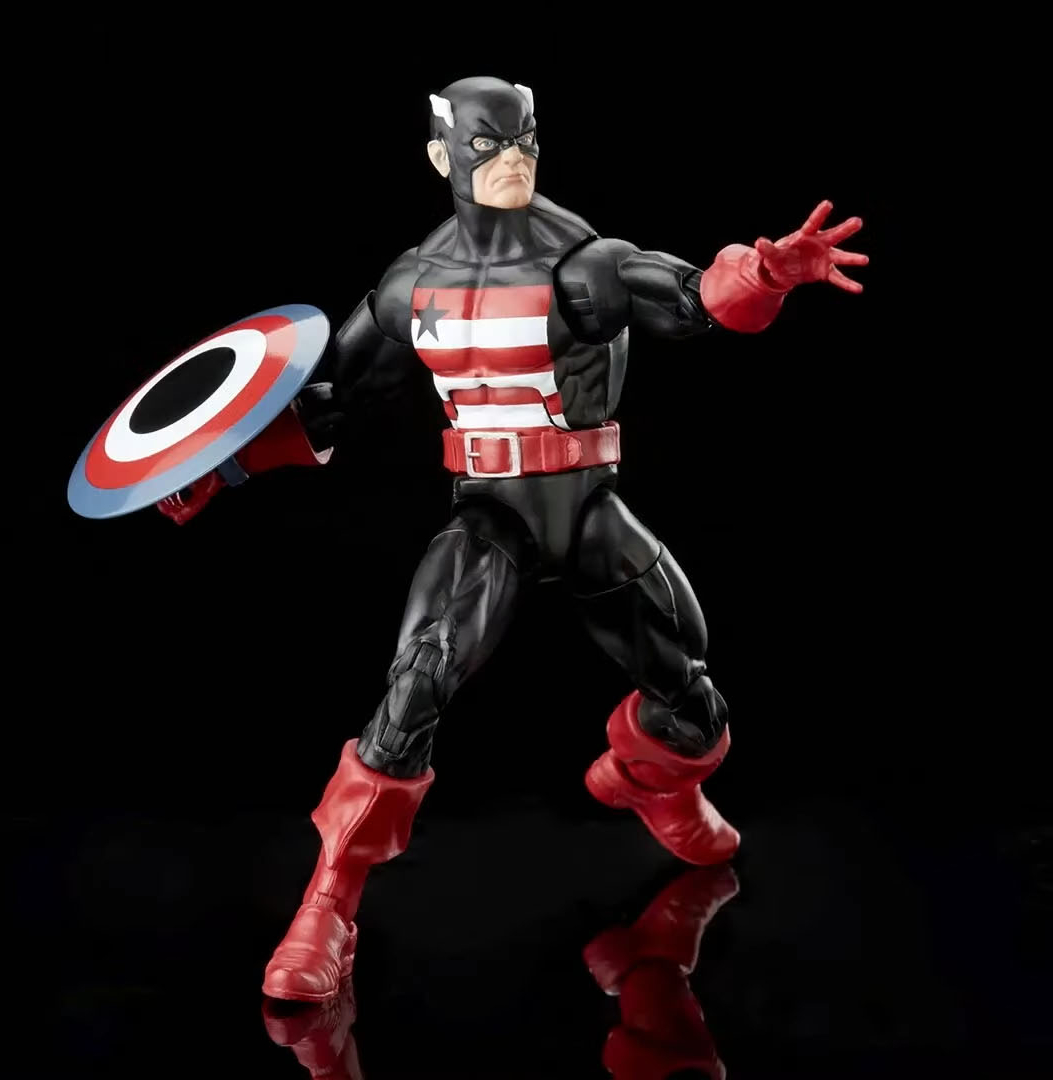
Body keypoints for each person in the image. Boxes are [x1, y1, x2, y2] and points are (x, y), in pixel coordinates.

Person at [157, 75, 867, 1003]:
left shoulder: (582, 265)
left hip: (586, 511)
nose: (512, 159)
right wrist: (223, 468)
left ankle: (650, 780)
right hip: (488, 515)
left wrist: (763, 273)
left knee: (692, 698)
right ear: (440, 156)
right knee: (419, 675)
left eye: (524, 140)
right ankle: (327, 906)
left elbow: (691, 297)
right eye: (488, 145)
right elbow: (335, 401)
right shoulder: (412, 283)